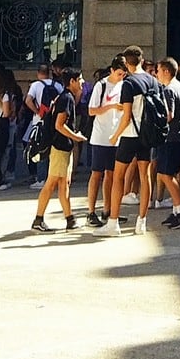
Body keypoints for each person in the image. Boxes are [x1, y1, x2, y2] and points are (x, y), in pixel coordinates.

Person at [109, 46, 159, 236]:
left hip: (130, 134)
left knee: (118, 176)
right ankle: (142, 222)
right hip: (147, 134)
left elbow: (127, 115)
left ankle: (113, 222)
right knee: (145, 176)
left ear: (126, 61)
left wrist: (115, 135)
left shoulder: (129, 83)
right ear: (142, 60)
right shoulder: (152, 80)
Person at [32, 68, 86, 232]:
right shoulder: (66, 98)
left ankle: (70, 219)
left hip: (62, 147)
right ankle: (38, 219)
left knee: (64, 183)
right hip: (60, 147)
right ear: (72, 81)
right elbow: (59, 125)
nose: (82, 82)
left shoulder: (64, 97)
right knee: (52, 183)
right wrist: (76, 137)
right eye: (80, 79)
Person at [154, 57, 180, 229]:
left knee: (166, 174)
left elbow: (168, 115)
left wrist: (155, 119)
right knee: (169, 173)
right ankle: (177, 210)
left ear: (166, 71)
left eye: (157, 70)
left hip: (172, 137)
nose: (156, 74)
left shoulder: (169, 90)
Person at [85, 59, 126, 227]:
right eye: (119, 74)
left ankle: (108, 210)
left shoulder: (124, 85)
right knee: (97, 173)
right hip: (101, 136)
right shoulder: (101, 86)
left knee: (111, 174)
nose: (121, 77)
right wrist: (111, 107)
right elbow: (91, 110)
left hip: (115, 136)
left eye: (124, 74)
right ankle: (91, 212)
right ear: (112, 70)